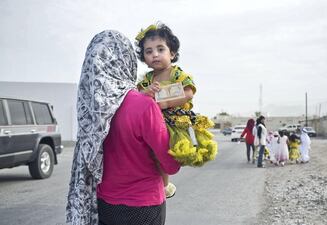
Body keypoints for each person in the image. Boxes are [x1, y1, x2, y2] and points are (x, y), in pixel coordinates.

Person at [66, 30, 181, 225]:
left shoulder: (91, 109)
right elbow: (170, 164)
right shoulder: (144, 104)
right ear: (127, 60)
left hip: (103, 205)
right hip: (143, 207)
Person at [135, 23, 218, 196]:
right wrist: (146, 92)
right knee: (151, 154)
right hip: (154, 120)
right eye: (148, 51)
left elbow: (188, 93)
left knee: (166, 152)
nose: (155, 54)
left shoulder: (176, 74)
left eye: (160, 49)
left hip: (174, 121)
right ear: (144, 57)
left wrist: (165, 103)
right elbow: (138, 95)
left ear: (172, 53)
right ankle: (162, 185)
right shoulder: (147, 79)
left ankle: (165, 185)